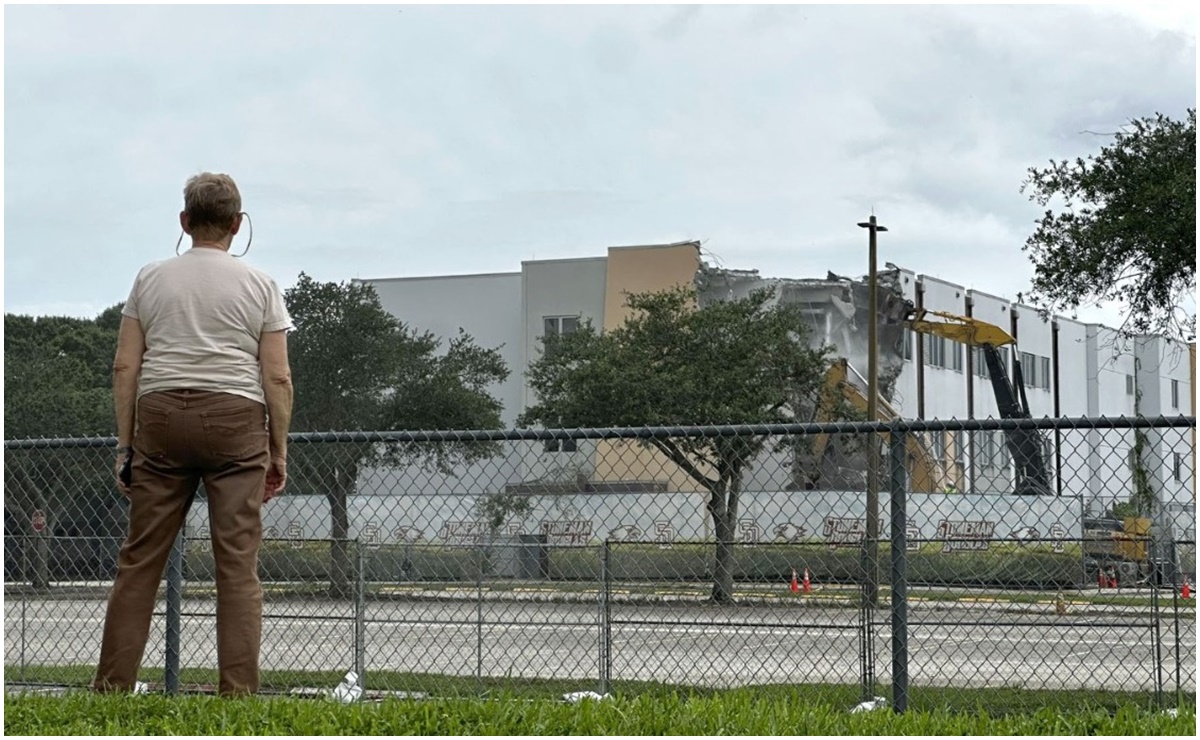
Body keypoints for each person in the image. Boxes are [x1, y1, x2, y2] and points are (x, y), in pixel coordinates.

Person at [94, 172, 294, 697]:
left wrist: (126, 448)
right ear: (236, 224)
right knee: (237, 564)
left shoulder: (149, 279)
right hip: (237, 420)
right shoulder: (261, 285)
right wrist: (278, 451)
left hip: (158, 418)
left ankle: (113, 687)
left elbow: (124, 367)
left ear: (184, 222)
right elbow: (276, 376)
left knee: (140, 561)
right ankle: (238, 696)